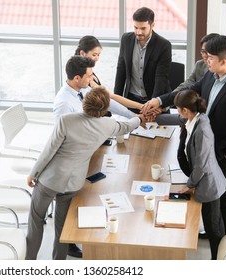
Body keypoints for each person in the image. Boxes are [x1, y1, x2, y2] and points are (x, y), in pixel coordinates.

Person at [141, 35, 226, 234]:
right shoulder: (211, 75)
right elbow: (190, 89)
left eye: (210, 57)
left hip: (222, 153)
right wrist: (159, 101)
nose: (205, 61)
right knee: (216, 198)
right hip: (207, 148)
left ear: (224, 61)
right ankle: (216, 234)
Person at [25, 86, 145, 260]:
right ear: (105, 109)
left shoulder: (66, 120)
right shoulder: (108, 124)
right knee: (62, 228)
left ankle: (29, 262)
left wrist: (33, 174)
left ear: (84, 103)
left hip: (49, 181)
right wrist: (139, 119)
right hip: (73, 184)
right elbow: (127, 126)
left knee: (36, 222)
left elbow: (48, 152)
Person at [174, 89, 226, 260]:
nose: (177, 112)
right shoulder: (195, 119)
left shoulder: (202, 130)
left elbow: (202, 165)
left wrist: (189, 185)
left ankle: (217, 261)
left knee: (213, 228)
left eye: (177, 109)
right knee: (214, 224)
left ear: (185, 110)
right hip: (205, 181)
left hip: (209, 184)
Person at [113, 6, 172, 112]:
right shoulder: (126, 39)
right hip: (131, 101)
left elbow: (161, 78)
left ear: (152, 25)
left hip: (153, 100)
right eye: (135, 27)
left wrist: (153, 104)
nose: (139, 32)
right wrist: (117, 101)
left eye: (143, 28)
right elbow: (121, 70)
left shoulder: (163, 45)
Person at [53, 55, 137, 122]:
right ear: (77, 78)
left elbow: (107, 102)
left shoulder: (83, 89)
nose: (92, 79)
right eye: (89, 76)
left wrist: (133, 116)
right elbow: (64, 136)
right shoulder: (63, 104)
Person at [75, 35, 143, 112]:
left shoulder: (86, 70)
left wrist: (140, 107)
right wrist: (140, 107)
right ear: (82, 53)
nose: (97, 58)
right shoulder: (84, 77)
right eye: (94, 55)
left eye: (98, 54)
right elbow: (109, 96)